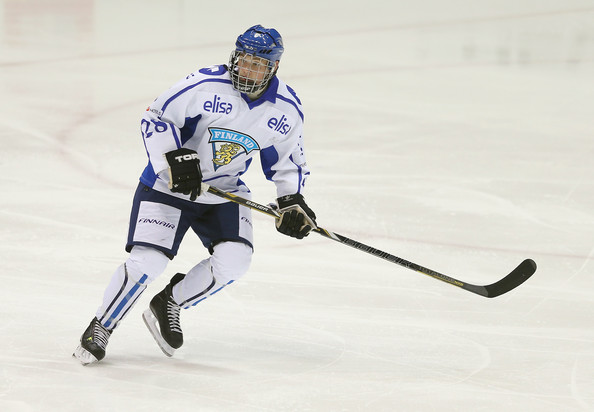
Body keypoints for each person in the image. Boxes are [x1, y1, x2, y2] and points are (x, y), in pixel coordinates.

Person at [73, 24, 317, 365]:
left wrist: (292, 200)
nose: (246, 70)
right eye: (243, 61)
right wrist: (174, 159)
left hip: (223, 191)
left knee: (236, 261)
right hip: (169, 187)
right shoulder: (203, 85)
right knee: (149, 261)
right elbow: (156, 118)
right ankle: (102, 325)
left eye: (256, 65)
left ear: (273, 67)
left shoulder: (286, 109)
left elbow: (289, 162)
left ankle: (170, 301)